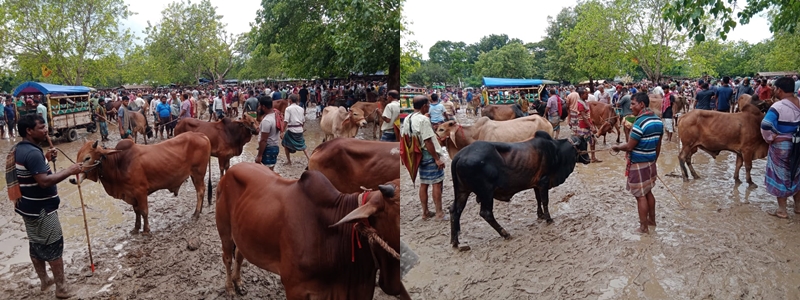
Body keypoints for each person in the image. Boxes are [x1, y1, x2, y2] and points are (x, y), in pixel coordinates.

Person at [12, 114, 82, 298]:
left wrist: (46, 159)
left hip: (28, 208)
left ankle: (45, 281)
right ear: (29, 131)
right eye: (42, 127)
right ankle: (62, 288)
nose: (46, 131)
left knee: (36, 244)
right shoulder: (33, 153)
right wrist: (70, 170)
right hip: (43, 210)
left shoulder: (20, 149)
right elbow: (43, 181)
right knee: (53, 246)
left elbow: (30, 173)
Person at [612, 92, 664, 234]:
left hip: (638, 163)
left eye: (633, 104)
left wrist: (617, 147)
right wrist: (653, 160)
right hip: (650, 161)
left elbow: (629, 146)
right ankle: (652, 221)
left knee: (640, 196)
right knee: (648, 192)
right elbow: (658, 145)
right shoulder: (658, 121)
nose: (631, 106)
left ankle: (643, 228)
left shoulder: (639, 123)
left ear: (642, 104)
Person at [401, 95, 446, 221]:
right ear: (424, 106)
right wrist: (437, 158)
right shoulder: (423, 120)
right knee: (437, 183)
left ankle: (425, 212)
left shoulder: (407, 118)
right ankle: (439, 213)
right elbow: (428, 141)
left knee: (424, 183)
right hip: (428, 154)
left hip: (418, 154)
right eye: (428, 105)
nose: (429, 107)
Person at [760, 77, 800, 219]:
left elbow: (765, 124)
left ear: (780, 90)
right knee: (796, 173)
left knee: (780, 175)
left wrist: (770, 138)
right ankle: (798, 207)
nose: (773, 91)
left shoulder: (778, 107)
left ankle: (782, 210)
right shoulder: (799, 102)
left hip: (782, 146)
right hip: (798, 144)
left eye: (775, 88)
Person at [570, 88, 601, 162]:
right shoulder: (580, 104)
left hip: (586, 125)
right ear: (581, 95)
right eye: (586, 94)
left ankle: (591, 157)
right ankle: (585, 157)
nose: (587, 95)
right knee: (585, 142)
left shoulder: (584, 102)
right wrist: (591, 126)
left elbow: (587, 116)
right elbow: (584, 117)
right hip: (583, 126)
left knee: (591, 141)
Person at [281, 94, 310, 165]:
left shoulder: (288, 109)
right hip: (299, 129)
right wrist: (301, 128)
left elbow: (286, 121)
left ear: (290, 101)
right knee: (303, 146)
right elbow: (303, 121)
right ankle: (310, 160)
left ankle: (289, 161)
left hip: (291, 130)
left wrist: (282, 131)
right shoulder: (301, 109)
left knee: (285, 144)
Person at [255, 97, 280, 170]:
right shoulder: (276, 115)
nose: (259, 108)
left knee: (265, 174)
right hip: (275, 147)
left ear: (263, 107)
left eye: (260, 106)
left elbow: (263, 140)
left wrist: (259, 156)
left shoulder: (267, 120)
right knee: (270, 172)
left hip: (268, 149)